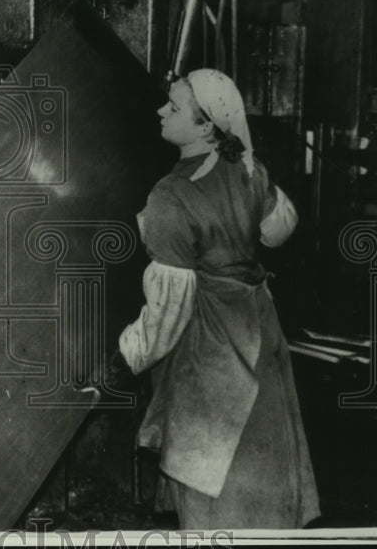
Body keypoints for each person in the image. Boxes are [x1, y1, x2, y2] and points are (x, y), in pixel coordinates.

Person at [115, 69, 320, 529]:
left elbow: (168, 313)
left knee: (211, 487)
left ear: (207, 126)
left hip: (209, 352)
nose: (160, 111)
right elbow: (279, 230)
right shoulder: (248, 170)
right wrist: (245, 162)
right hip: (259, 336)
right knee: (261, 489)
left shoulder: (171, 196)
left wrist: (125, 354)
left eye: (173, 107)